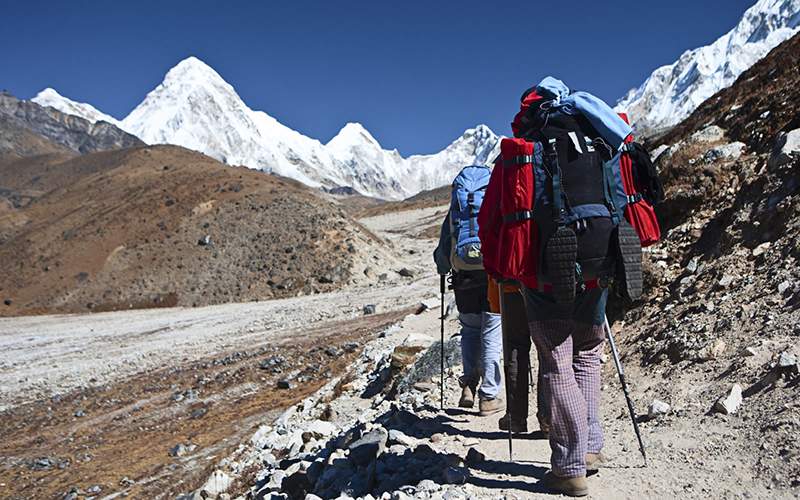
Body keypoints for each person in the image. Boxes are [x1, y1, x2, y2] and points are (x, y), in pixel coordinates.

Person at [479, 76, 643, 497]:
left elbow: (492, 217)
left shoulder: (527, 150)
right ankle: (590, 447)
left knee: (556, 357)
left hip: (547, 265)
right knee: (589, 352)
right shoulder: (599, 138)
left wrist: (503, 270)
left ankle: (569, 467)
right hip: (605, 252)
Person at [433, 167, 504, 416]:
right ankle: (489, 396)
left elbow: (443, 251)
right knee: (492, 331)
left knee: (470, 331)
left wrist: (444, 268)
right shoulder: (495, 203)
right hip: (491, 275)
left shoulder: (456, 211)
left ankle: (469, 386)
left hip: (463, 278)